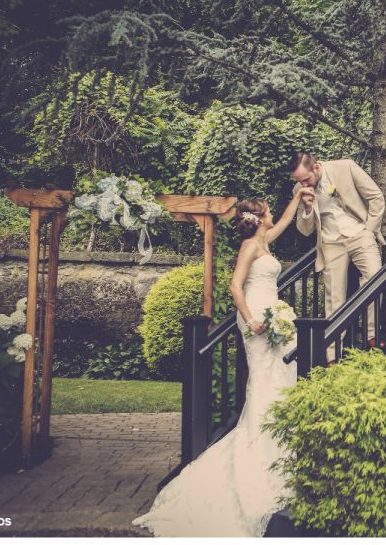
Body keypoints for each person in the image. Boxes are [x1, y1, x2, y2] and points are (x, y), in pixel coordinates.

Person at [132, 187, 310, 537]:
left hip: (272, 311)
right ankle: (262, 447)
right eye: (267, 210)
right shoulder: (250, 247)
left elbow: (288, 220)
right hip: (256, 316)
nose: (272, 214)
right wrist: (253, 320)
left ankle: (283, 442)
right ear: (258, 218)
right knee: (265, 378)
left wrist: (294, 196)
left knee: (284, 373)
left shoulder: (265, 241)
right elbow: (235, 286)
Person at [290, 152, 385, 361]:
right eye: (299, 181)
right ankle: (332, 355)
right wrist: (306, 207)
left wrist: (369, 230)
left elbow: (376, 196)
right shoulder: (300, 190)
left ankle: (372, 335)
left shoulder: (345, 167)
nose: (303, 184)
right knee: (334, 298)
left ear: (316, 168)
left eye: (305, 179)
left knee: (375, 277)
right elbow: (304, 230)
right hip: (330, 243)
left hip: (359, 233)